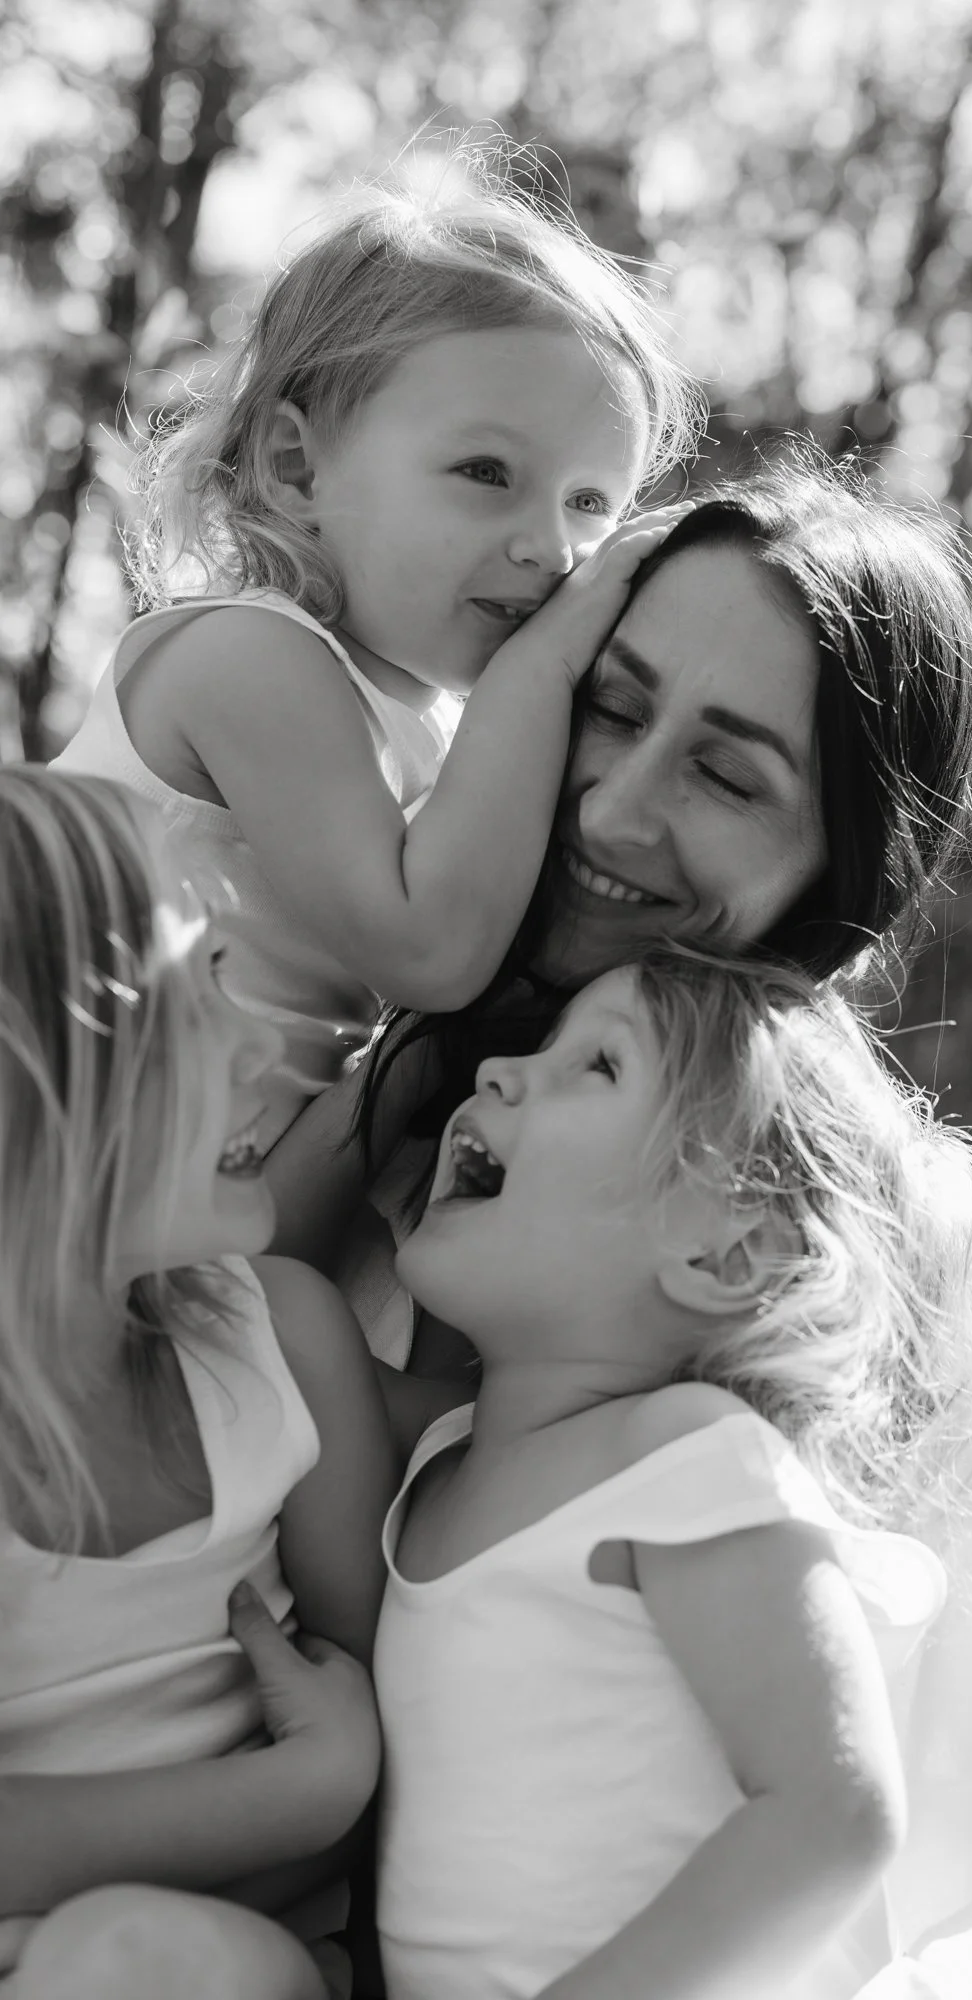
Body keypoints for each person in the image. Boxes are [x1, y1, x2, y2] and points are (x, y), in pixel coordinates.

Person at [268, 457, 972, 1998]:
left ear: (832, 881)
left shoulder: (916, 1268)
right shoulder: (323, 1079)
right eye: (606, 703)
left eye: (727, 774)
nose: (615, 807)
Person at [374, 945, 972, 1998]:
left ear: (722, 1253)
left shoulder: (682, 1454)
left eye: (597, 1065)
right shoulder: (439, 1458)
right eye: (540, 1045)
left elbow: (833, 1811)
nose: (500, 1069)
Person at [52, 148, 702, 1150]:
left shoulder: (440, 723)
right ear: (295, 466)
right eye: (486, 470)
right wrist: (536, 670)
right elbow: (427, 952)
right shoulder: (250, 659)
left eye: (589, 502)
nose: (552, 546)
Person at [0, 768, 397, 2000]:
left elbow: (395, 1721)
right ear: (40, 1091)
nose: (259, 1037)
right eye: (201, 988)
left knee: (127, 1958)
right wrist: (286, 1791)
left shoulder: (280, 1346)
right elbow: (336, 1771)